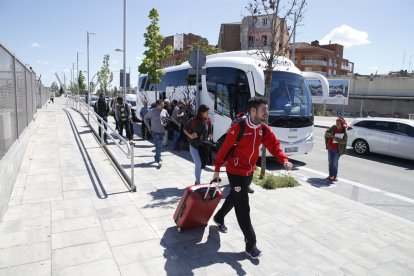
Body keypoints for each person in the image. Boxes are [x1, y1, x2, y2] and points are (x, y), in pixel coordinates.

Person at [212, 96, 293, 260]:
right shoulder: (238, 128)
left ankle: (219, 217)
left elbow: (274, 146)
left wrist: (284, 159)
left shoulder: (263, 129)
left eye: (267, 109)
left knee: (235, 197)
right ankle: (251, 244)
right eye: (264, 109)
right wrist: (216, 170)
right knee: (243, 207)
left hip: (249, 172)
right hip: (234, 172)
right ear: (253, 110)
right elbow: (224, 150)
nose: (267, 112)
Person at [183, 104, 212, 184]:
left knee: (203, 163)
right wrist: (190, 135)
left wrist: (209, 138)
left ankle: (198, 177)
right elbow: (184, 129)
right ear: (202, 112)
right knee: (198, 163)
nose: (208, 113)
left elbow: (210, 132)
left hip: (203, 146)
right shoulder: (193, 120)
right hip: (193, 145)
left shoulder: (208, 121)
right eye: (206, 112)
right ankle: (197, 182)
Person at [144, 99, 169, 168]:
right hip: (155, 132)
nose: (163, 105)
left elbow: (168, 119)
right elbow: (145, 118)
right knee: (158, 146)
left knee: (159, 146)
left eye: (163, 104)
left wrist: (166, 123)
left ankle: (156, 156)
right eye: (162, 104)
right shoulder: (152, 111)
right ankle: (158, 160)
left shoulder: (165, 111)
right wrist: (149, 127)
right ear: (158, 105)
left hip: (163, 131)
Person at [324, 117, 348, 181]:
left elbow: (344, 141)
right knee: (330, 162)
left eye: (338, 123)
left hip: (337, 150)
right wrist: (331, 135)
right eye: (336, 123)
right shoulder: (333, 127)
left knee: (334, 163)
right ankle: (331, 175)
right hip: (330, 148)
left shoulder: (344, 132)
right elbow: (326, 133)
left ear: (341, 124)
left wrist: (336, 138)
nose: (336, 124)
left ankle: (335, 176)